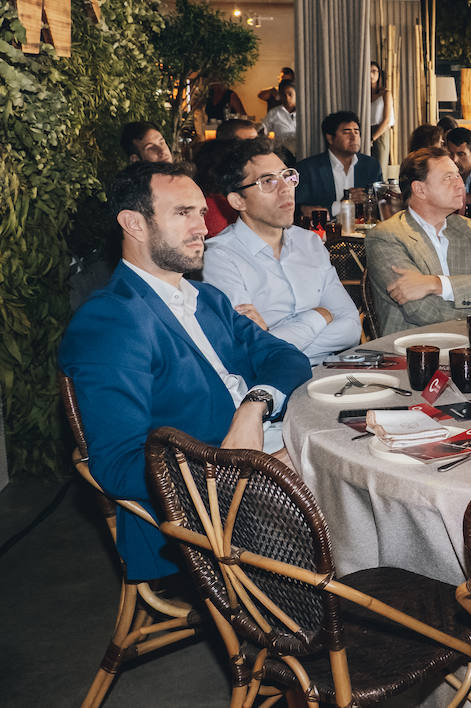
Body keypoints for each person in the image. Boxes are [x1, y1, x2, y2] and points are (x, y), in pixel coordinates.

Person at [59, 162, 313, 581]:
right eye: (183, 213)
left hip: (266, 453)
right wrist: (244, 469)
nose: (204, 228)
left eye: (200, 212)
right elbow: (120, 466)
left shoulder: (207, 298)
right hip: (210, 517)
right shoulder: (110, 321)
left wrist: (254, 405)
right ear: (133, 224)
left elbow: (288, 359)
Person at [203, 138, 361, 364]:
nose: (286, 188)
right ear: (238, 200)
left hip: (329, 373)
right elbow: (249, 350)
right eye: (267, 181)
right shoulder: (220, 257)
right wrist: (318, 316)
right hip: (271, 386)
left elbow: (352, 328)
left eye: (287, 176)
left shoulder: (310, 243)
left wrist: (274, 343)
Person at [365, 147, 471, 334]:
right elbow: (420, 310)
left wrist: (435, 284)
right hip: (413, 351)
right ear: (420, 189)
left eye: (458, 176)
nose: (460, 185)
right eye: (448, 178)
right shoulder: (387, 236)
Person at [295, 111, 383, 216]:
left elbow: (380, 205)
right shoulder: (308, 169)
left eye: (356, 132)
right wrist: (341, 206)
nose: (354, 137)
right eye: (347, 132)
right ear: (330, 138)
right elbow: (301, 210)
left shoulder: (371, 166)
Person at [264, 80, 298, 158]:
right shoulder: (274, 113)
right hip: (282, 154)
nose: (287, 98)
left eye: (290, 94)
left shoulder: (304, 113)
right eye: (283, 95)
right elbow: (263, 130)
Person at [370, 61, 394, 160]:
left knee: (379, 168)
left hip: (380, 134)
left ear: (379, 74)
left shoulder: (385, 94)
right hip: (366, 132)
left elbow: (387, 120)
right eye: (368, 71)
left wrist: (372, 139)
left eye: (374, 71)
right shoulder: (363, 97)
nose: (371, 74)